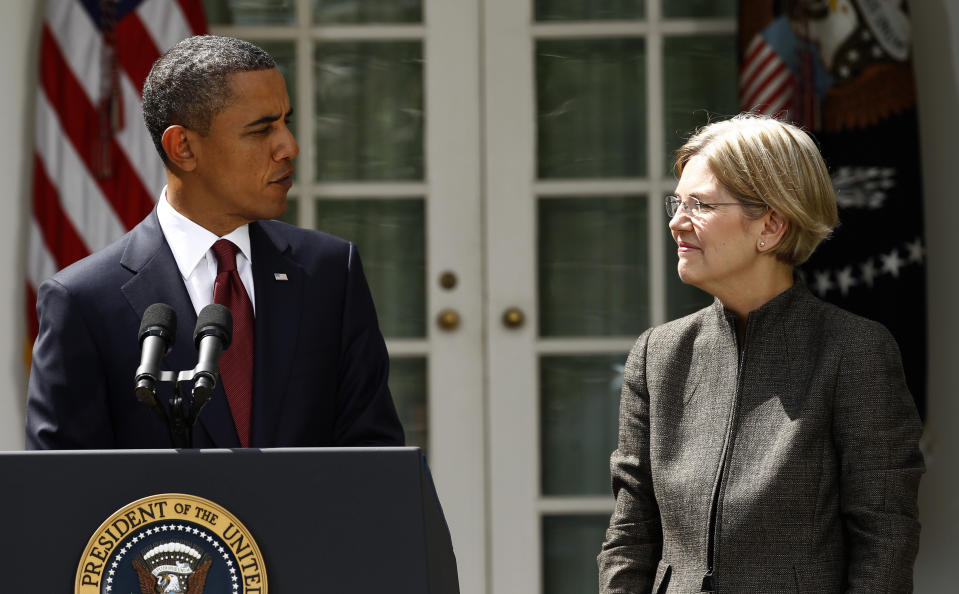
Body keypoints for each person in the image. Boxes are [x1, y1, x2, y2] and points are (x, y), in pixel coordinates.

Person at [26, 35, 404, 449]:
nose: (288, 147)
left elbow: (373, 458)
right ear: (183, 147)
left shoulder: (331, 271)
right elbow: (62, 493)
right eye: (262, 130)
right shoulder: (82, 302)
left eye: (285, 123)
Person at [598, 114, 923, 592]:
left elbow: (885, 538)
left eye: (700, 205)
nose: (675, 222)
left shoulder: (855, 351)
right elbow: (630, 534)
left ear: (770, 225)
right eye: (677, 202)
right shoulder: (659, 354)